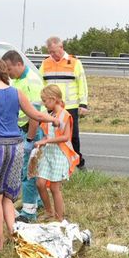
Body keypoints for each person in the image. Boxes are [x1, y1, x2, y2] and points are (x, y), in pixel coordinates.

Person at [0, 58, 60, 250]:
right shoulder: (17, 92)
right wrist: (54, 120)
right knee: (8, 197)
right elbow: (35, 114)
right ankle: (13, 235)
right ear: (4, 72)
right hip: (16, 146)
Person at [2, 50, 45, 223]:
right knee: (26, 171)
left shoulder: (32, 81)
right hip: (22, 129)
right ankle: (37, 201)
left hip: (31, 131)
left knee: (28, 174)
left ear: (19, 64)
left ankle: (29, 212)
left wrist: (29, 139)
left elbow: (35, 114)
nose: (8, 73)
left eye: (10, 69)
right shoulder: (16, 80)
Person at [40, 36, 89, 169]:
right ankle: (56, 163)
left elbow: (82, 83)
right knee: (51, 134)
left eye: (54, 51)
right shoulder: (45, 63)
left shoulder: (74, 62)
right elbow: (41, 84)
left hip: (70, 107)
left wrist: (83, 104)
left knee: (72, 137)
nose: (52, 54)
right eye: (50, 52)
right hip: (51, 107)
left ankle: (77, 163)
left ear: (61, 47)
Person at [34, 85, 80, 221]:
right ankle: (49, 211)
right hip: (48, 153)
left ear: (53, 99)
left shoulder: (65, 115)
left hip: (60, 154)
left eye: (45, 101)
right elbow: (47, 135)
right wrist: (41, 142)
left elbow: (65, 137)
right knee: (40, 183)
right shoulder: (50, 115)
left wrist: (46, 141)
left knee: (55, 188)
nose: (44, 103)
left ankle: (59, 218)